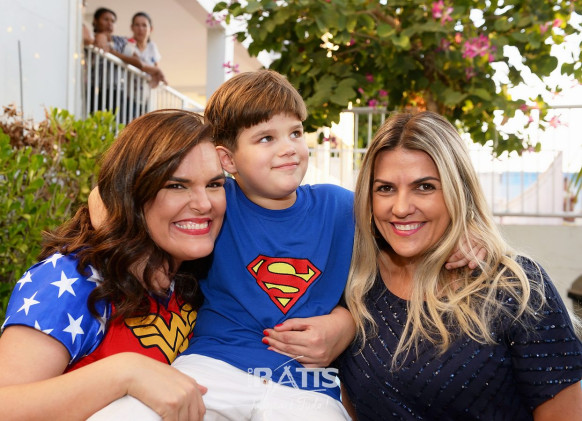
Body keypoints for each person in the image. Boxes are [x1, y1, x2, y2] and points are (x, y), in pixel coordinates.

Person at [90, 71, 484, 421]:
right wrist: (131, 245)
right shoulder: (216, 202)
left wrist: (465, 233)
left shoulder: (340, 207)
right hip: (214, 369)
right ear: (227, 159)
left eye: (295, 133)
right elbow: (104, 196)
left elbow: (406, 221)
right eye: (266, 138)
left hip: (307, 386)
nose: (288, 148)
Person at [338, 111, 582, 420]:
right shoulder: (354, 283)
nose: (400, 208)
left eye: (424, 187)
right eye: (385, 188)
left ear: (458, 190)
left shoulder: (515, 287)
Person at [0, 109, 227, 420]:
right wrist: (124, 373)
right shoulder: (74, 278)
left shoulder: (194, 269)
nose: (204, 204)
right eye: (176, 185)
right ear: (132, 192)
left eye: (214, 184)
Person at [123, 12, 167, 88]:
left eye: (144, 25)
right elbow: (139, 64)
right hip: (129, 91)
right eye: (137, 25)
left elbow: (155, 67)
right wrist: (156, 70)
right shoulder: (127, 44)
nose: (140, 29)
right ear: (132, 27)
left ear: (151, 29)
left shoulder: (152, 47)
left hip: (147, 91)